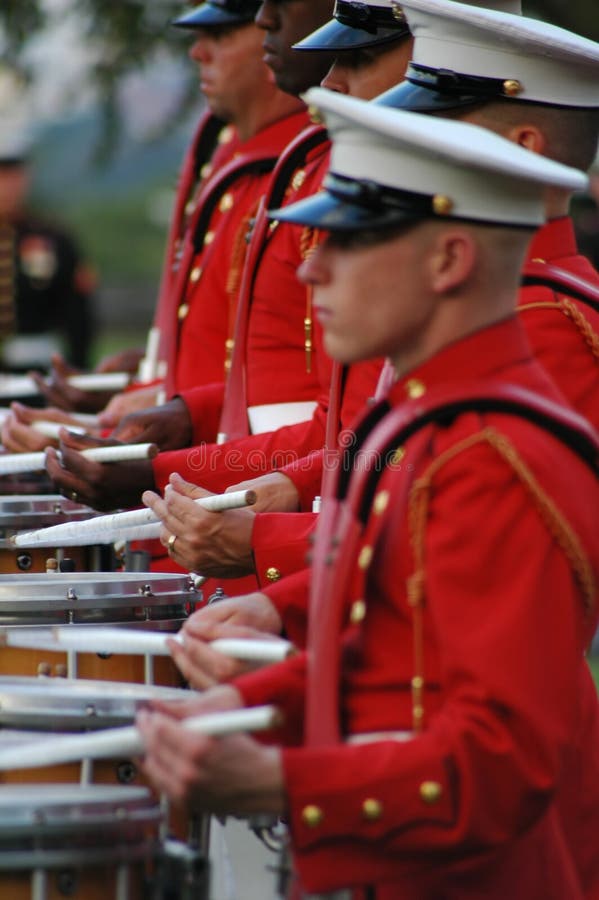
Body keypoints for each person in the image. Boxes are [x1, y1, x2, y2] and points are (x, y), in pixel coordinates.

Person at [137, 87, 599, 899]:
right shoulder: (432, 420)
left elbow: (497, 763)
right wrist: (241, 708)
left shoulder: (492, 451)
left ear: (448, 261)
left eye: (346, 240)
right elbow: (383, 651)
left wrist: (283, 783)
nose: (308, 265)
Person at [0, 124, 95, 375]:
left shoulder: (53, 238)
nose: (8, 186)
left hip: (37, 371)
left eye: (14, 175)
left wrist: (78, 373)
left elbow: (78, 315)